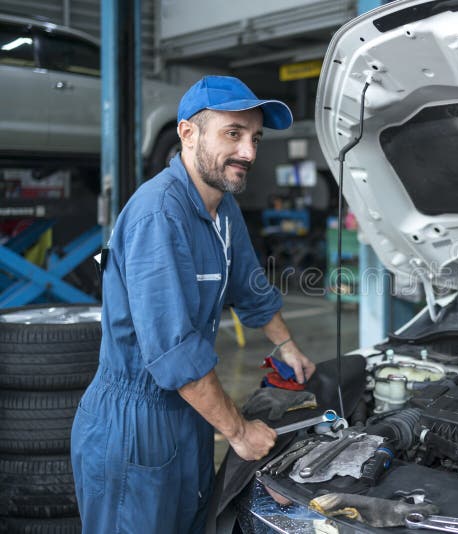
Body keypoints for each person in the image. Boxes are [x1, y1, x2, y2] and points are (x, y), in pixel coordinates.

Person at [70, 75, 316, 533]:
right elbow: (175, 350)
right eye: (233, 133)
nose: (248, 152)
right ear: (188, 133)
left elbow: (250, 285)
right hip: (133, 425)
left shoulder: (223, 208)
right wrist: (239, 432)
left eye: (254, 137)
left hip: (190, 413)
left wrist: (287, 347)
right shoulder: (159, 214)